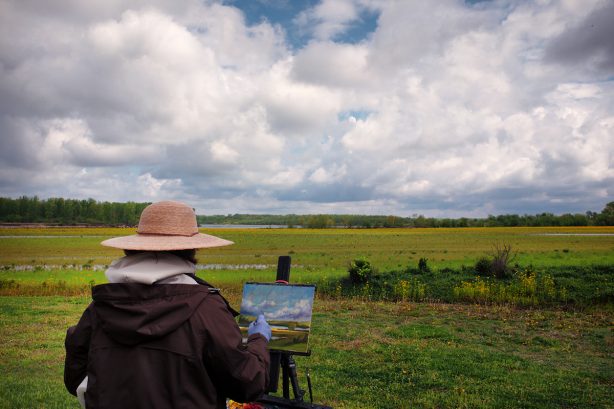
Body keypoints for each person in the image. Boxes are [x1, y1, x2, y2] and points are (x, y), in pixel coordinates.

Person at [64, 200, 271, 409]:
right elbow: (247, 384)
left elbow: (76, 379)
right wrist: (259, 339)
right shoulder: (206, 309)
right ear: (192, 249)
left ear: (133, 248)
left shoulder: (100, 308)